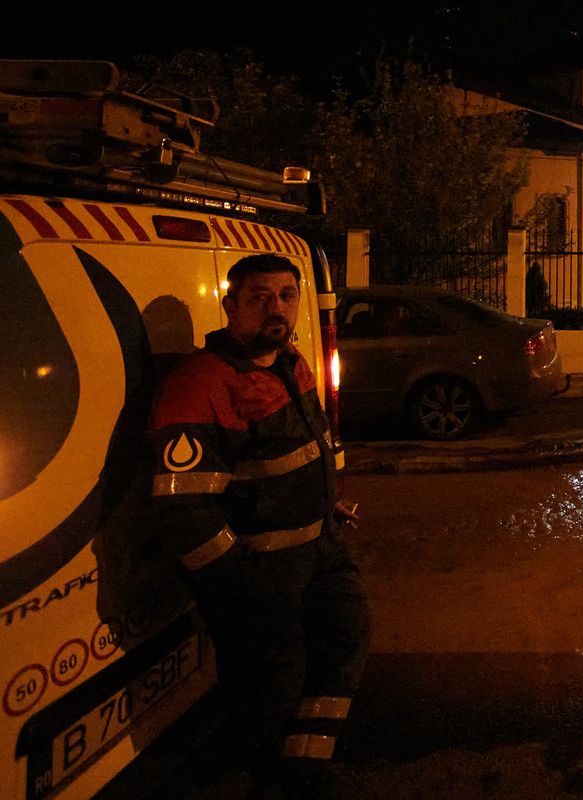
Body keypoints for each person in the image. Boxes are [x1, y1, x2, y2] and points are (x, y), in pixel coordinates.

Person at [149, 253, 371, 798]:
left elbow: (303, 450)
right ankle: (254, 778)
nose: (277, 308)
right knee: (271, 682)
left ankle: (304, 766)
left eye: (286, 296)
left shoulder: (291, 363)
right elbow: (185, 514)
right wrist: (243, 585)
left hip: (320, 546)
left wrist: (326, 506)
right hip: (259, 567)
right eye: (259, 297)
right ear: (230, 306)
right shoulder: (196, 385)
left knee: (345, 637)